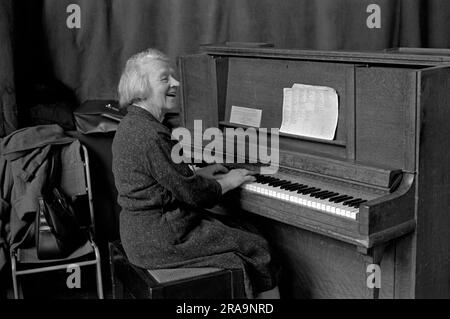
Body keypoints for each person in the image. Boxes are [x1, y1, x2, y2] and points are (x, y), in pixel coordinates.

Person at [112, 48, 279, 298]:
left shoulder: (132, 124)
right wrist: (228, 182)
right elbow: (193, 194)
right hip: (163, 239)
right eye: (164, 78)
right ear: (141, 86)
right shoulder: (150, 134)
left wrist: (201, 172)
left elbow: (165, 178)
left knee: (245, 227)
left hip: (143, 233)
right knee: (257, 246)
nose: (176, 83)